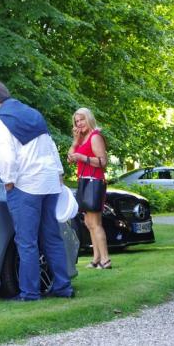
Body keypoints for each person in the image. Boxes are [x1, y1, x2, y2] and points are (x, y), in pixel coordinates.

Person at [0, 82, 74, 301]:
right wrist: (59, 173)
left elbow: (6, 154)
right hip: (50, 182)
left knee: (26, 241)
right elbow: (50, 146)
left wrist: (8, 180)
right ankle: (62, 286)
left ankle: (30, 292)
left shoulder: (1, 120)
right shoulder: (33, 114)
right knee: (52, 237)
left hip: (26, 185)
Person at [67, 108, 111, 269]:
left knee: (95, 222)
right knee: (88, 222)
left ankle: (105, 260)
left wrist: (82, 158)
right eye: (76, 121)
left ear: (89, 119)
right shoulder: (82, 139)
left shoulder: (95, 136)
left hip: (94, 182)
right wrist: (75, 141)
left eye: (82, 120)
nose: (79, 124)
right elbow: (70, 158)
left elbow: (103, 161)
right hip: (85, 182)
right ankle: (96, 258)